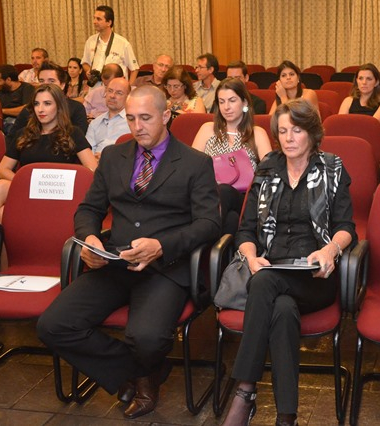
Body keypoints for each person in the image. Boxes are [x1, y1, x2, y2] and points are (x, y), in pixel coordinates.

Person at [37, 86, 221, 420]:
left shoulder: (195, 162)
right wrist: (90, 239)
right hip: (115, 262)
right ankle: (141, 374)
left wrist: (162, 246)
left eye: (146, 118)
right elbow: (88, 209)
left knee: (146, 337)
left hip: (165, 267)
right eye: (132, 118)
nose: (137, 127)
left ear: (166, 116)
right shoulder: (112, 156)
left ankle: (143, 371)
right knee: (53, 325)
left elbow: (209, 223)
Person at [220, 98, 356, 426]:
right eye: (282, 131)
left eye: (296, 130)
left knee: (265, 283)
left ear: (312, 132)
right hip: (271, 269)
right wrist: (251, 257)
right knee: (281, 309)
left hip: (314, 278)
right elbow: (246, 230)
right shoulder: (267, 169)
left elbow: (346, 227)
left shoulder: (332, 168)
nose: (289, 138)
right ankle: (286, 417)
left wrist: (330, 251)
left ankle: (245, 391)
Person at [0, 84, 96, 220]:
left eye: (47, 103)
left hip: (59, 192)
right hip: (28, 190)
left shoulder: (73, 133)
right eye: (36, 104)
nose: (40, 109)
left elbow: (92, 169)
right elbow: (2, 169)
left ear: (59, 106)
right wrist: (25, 182)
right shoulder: (23, 134)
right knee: (0, 190)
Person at [191, 78, 272, 234]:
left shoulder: (256, 133)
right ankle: (219, 248)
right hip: (209, 196)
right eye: (221, 102)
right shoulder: (208, 129)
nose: (226, 107)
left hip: (244, 198)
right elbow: (191, 169)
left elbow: (270, 174)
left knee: (224, 191)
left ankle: (199, 235)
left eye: (232, 101)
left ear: (244, 102)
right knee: (232, 220)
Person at [10, 62, 89, 135]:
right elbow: (12, 137)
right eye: (41, 81)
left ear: (62, 85)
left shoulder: (76, 108)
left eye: (51, 81)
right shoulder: (30, 109)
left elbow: (79, 138)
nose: (45, 85)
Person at [82, 5, 140, 83]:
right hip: (95, 86)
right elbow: (85, 62)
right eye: (94, 18)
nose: (94, 22)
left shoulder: (123, 43)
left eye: (98, 19)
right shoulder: (90, 41)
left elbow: (134, 69)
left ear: (109, 22)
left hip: (116, 87)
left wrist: (128, 87)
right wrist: (88, 70)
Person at [337, 63, 380, 135]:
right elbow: (340, 125)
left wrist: (351, 126)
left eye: (369, 79)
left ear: (376, 82)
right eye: (360, 78)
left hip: (373, 137)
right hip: (352, 137)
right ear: (356, 81)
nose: (364, 82)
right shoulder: (348, 101)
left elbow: (371, 123)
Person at [86, 77, 131, 158]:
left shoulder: (133, 122)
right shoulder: (95, 123)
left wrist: (107, 158)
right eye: (110, 91)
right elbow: (88, 152)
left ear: (128, 97)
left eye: (119, 93)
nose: (112, 96)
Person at [0, 64, 36, 134]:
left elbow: (26, 109)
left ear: (8, 79)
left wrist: (2, 111)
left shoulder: (27, 88)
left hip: (21, 123)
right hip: (3, 123)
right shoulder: (1, 91)